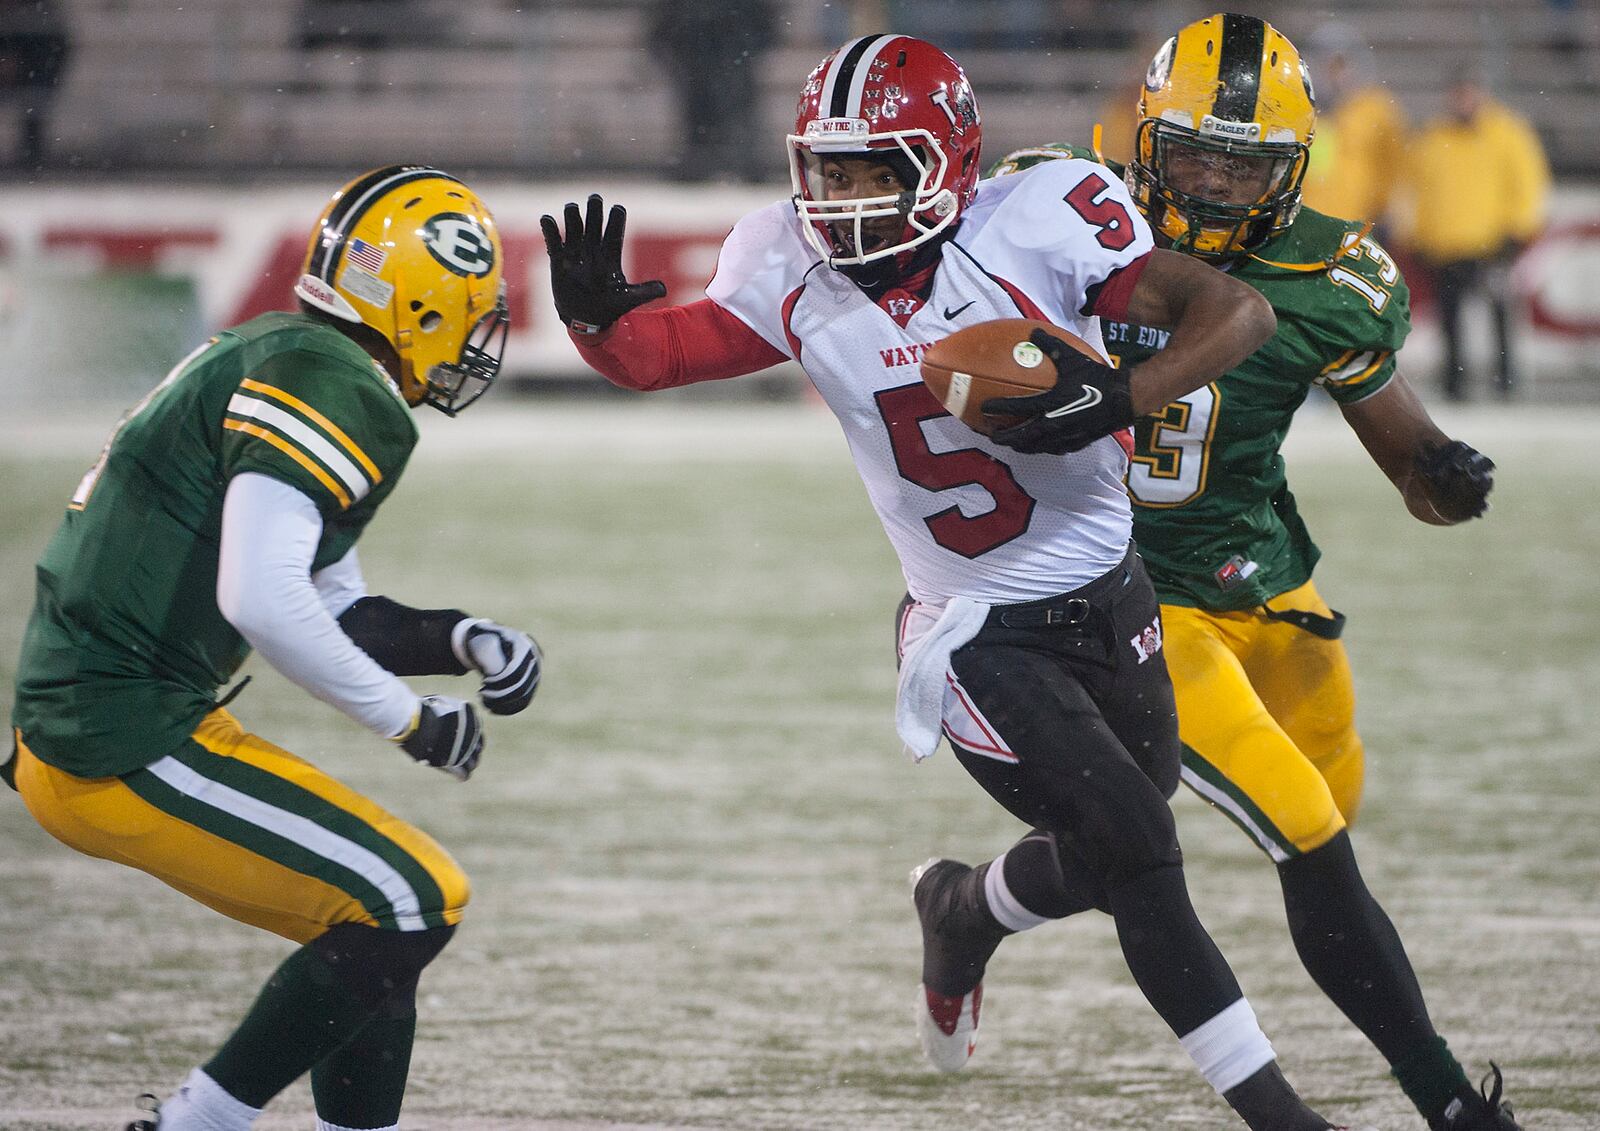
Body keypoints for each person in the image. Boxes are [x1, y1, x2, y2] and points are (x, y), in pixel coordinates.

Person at [544, 32, 1371, 1131]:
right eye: (826, 170)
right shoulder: (786, 267)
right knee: (1138, 840)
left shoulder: (1035, 220)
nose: (840, 198)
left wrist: (1118, 396)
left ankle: (963, 907)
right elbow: (658, 355)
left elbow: (1238, 314)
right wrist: (596, 324)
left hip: (1110, 585)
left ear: (944, 159)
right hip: (973, 625)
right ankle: (1280, 1114)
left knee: (1113, 836)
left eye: (871, 169)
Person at [979, 14, 1518, 1131]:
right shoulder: (1064, 219)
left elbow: (1411, 472)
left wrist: (1445, 477)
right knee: (1304, 829)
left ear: (1293, 168)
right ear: (1142, 140)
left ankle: (972, 908)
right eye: (1194, 157)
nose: (1217, 187)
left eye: (1245, 165)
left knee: (1300, 808)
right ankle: (1453, 1105)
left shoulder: (1330, 275)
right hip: (1135, 598)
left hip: (1272, 590)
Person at [5, 165, 541, 1131]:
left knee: (381, 922)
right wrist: (409, 721)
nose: (474, 334)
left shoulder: (288, 351)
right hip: (119, 738)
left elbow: (334, 601)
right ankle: (193, 1123)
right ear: (422, 303)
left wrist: (462, 639)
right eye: (467, 310)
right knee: (411, 900)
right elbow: (259, 597)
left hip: (94, 715)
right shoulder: (332, 383)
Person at [1400, 75, 1550, 401]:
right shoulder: (1433, 136)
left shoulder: (1507, 132)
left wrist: (1518, 230)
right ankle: (1455, 383)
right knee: (1451, 321)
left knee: (1500, 315)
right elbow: (1418, 191)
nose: (1463, 103)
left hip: (1493, 244)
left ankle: (1506, 381)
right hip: (1446, 246)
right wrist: (1419, 235)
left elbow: (1528, 182)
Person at [649, 0, 777, 183]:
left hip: (731, 62)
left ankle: (741, 163)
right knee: (700, 117)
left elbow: (763, 27)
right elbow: (665, 29)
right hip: (700, 64)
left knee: (736, 117)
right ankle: (699, 164)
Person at [1297, 23, 1407, 230]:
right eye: (1327, 66)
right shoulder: (1302, 110)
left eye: (1340, 66)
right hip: (1308, 224)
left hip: (1358, 224)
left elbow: (1393, 165)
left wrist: (1383, 209)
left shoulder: (1377, 108)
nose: (1335, 75)